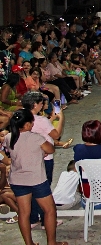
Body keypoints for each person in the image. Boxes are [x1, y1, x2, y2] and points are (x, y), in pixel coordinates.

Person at [4, 109, 68, 245]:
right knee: (49, 210)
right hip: (36, 180)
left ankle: (29, 243)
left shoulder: (9, 137)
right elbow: (50, 149)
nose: (33, 124)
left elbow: (20, 153)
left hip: (17, 180)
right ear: (27, 125)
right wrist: (41, 153)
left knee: (24, 213)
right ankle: (51, 242)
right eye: (31, 122)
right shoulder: (36, 138)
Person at [21, 91, 66, 229]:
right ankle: (45, 220)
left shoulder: (21, 117)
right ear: (35, 105)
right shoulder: (41, 120)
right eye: (41, 103)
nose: (43, 105)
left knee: (31, 188)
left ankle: (33, 218)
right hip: (44, 158)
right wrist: (60, 118)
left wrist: (51, 119)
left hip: (27, 157)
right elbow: (56, 135)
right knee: (43, 189)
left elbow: (40, 129)